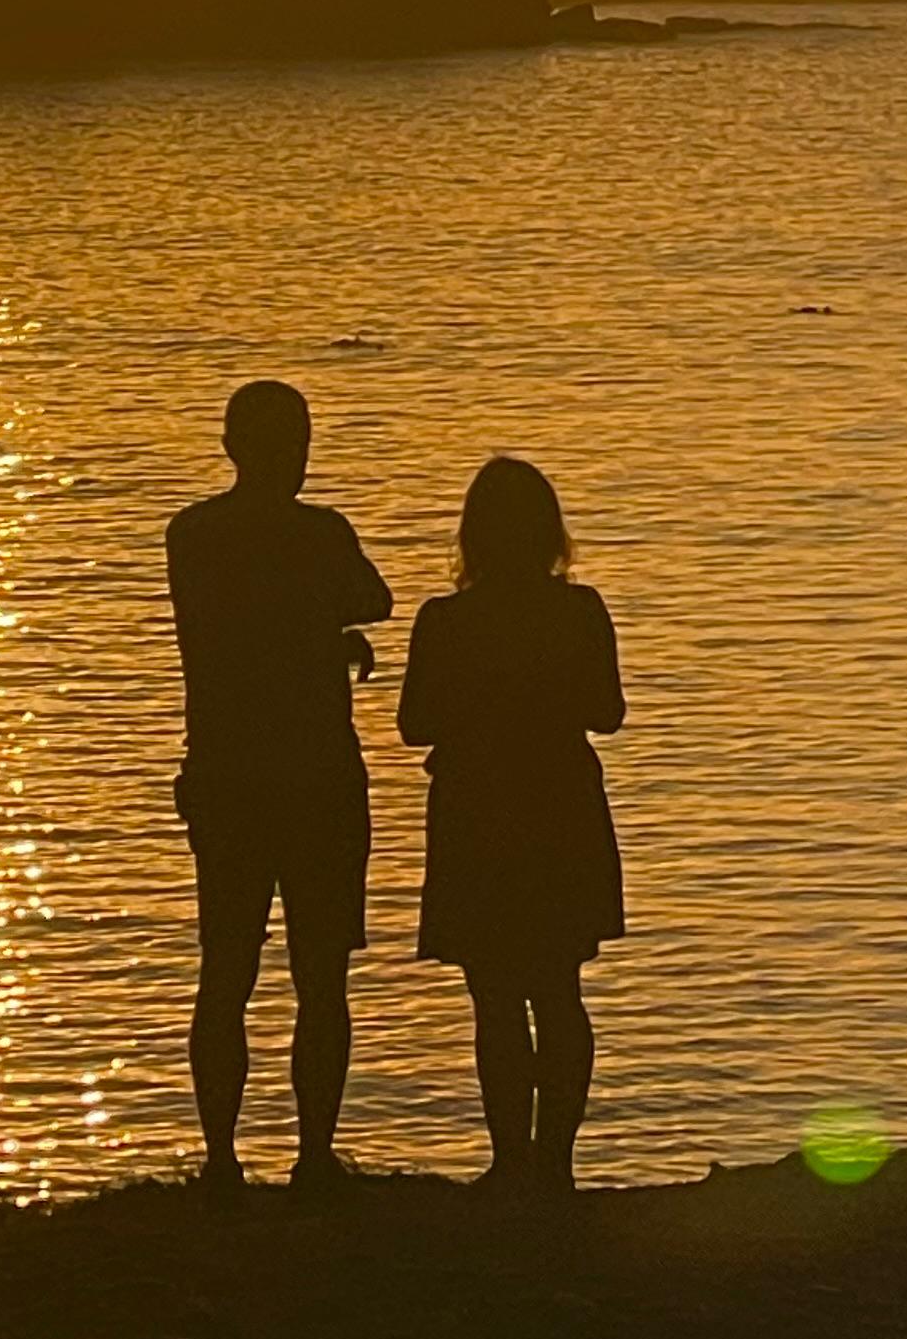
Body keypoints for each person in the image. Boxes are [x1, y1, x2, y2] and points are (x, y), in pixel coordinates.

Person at [167, 381, 393, 1200]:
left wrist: (319, 638)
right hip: (317, 774)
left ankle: (222, 1160)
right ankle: (313, 1157)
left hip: (225, 772)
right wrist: (329, 640)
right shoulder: (321, 535)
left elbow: (233, 627)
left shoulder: (192, 536)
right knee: (319, 976)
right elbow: (373, 597)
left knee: (226, 969)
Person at [396, 456, 624, 1199]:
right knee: (558, 990)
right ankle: (556, 1163)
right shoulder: (580, 610)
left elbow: (413, 724)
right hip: (560, 804)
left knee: (493, 995)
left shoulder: (445, 620)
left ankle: (510, 1162)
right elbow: (608, 713)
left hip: (476, 810)